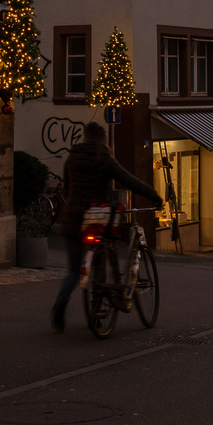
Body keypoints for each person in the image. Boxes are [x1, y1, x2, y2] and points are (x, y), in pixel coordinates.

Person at [51, 122, 163, 331]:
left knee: (74, 270)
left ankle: (60, 303)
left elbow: (67, 186)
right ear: (102, 139)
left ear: (84, 137)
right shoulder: (104, 158)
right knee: (101, 255)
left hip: (73, 220)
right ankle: (98, 308)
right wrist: (154, 195)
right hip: (97, 218)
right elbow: (129, 181)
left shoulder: (72, 157)